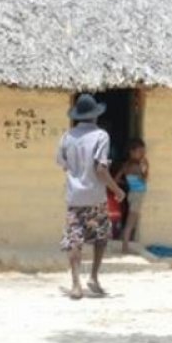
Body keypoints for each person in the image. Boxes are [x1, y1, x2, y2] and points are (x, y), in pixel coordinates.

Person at [55, 94, 125, 299]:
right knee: (100, 237)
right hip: (95, 196)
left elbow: (62, 164)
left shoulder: (67, 137)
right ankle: (93, 276)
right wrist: (117, 190)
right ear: (95, 115)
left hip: (74, 196)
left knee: (74, 240)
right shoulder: (101, 136)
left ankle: (76, 284)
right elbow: (101, 169)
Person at [117, 138, 149, 254]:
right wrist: (146, 167)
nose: (142, 154)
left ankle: (123, 242)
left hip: (132, 194)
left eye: (143, 152)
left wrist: (128, 183)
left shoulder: (126, 165)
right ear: (132, 152)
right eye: (140, 152)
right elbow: (144, 179)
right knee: (131, 222)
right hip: (137, 195)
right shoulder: (136, 167)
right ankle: (125, 247)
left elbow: (117, 179)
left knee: (131, 220)